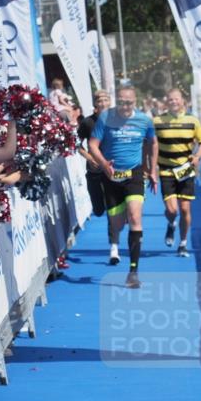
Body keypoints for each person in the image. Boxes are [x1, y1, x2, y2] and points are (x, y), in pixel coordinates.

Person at [88, 85, 157, 287]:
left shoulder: (144, 120)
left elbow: (153, 143)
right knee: (117, 224)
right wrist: (104, 165)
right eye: (122, 102)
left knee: (136, 217)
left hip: (134, 174)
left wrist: (152, 170)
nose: (125, 106)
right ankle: (123, 216)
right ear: (117, 100)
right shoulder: (106, 118)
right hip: (111, 175)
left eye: (129, 102)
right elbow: (92, 145)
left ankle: (133, 272)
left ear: (135, 101)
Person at [153, 88, 201, 257]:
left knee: (185, 210)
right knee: (172, 211)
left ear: (183, 101)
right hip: (166, 170)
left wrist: (197, 156)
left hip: (186, 169)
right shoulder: (157, 121)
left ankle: (183, 244)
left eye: (176, 99)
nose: (174, 102)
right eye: (170, 99)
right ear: (166, 102)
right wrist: (151, 168)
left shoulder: (193, 121)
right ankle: (171, 224)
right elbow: (150, 144)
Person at [77, 89, 112, 220]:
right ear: (95, 104)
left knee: (113, 207)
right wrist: (90, 158)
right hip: (95, 169)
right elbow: (76, 144)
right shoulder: (87, 122)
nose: (103, 103)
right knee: (98, 210)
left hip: (112, 169)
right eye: (99, 101)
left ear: (109, 102)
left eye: (105, 100)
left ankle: (113, 235)